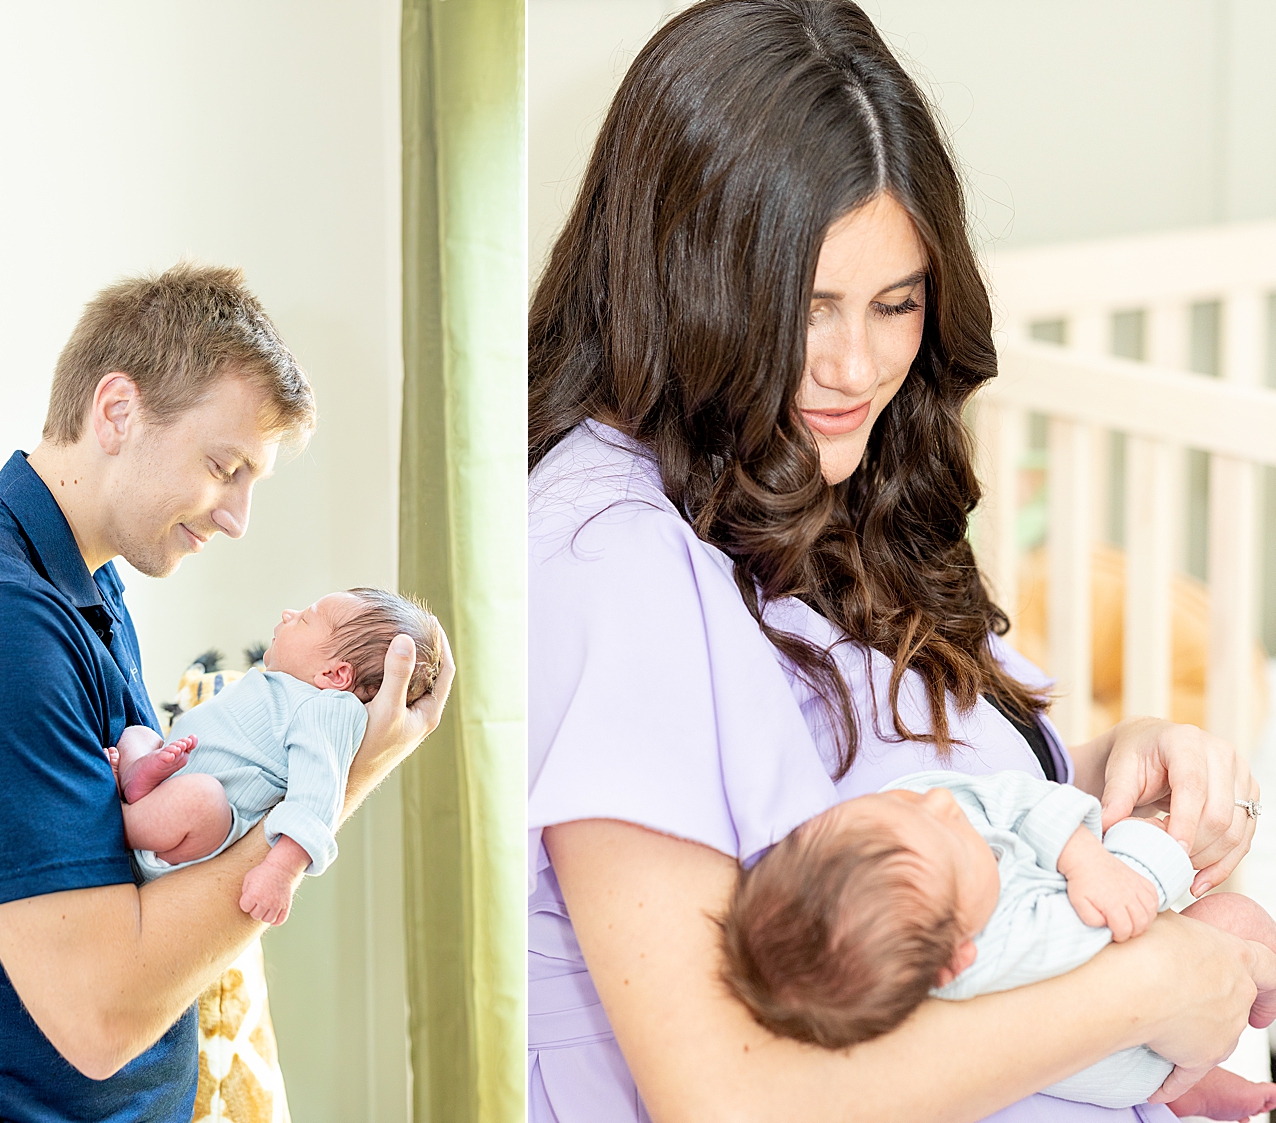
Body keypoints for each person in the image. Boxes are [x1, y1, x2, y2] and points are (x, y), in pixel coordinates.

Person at [526, 3, 1263, 1121]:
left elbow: (932, 795)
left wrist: (1123, 757)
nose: (856, 365)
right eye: (805, 309)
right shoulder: (607, 554)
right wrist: (1150, 985)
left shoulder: (830, 473)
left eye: (895, 303)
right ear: (682, 279)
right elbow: (726, 1094)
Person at [0, 264, 453, 1121]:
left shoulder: (87, 590)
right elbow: (98, 1016)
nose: (238, 516)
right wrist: (345, 780)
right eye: (224, 465)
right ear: (117, 411)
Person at [723, 769, 1276, 1118]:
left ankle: (1190, 1085)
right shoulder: (1005, 945)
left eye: (909, 810)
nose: (941, 805)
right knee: (1236, 918)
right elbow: (1116, 917)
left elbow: (989, 796)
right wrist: (1151, 849)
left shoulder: (904, 830)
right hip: (1129, 1058)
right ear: (958, 960)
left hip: (1140, 1011)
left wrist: (1081, 857)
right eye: (955, 837)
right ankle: (1194, 1071)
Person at [110, 587, 444, 926]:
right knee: (139, 735)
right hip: (169, 789)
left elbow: (316, 798)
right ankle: (139, 779)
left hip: (184, 841)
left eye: (305, 619)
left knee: (203, 800)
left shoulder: (329, 710)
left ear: (335, 675)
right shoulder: (278, 688)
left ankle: (118, 818)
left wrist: (281, 870)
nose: (288, 614)